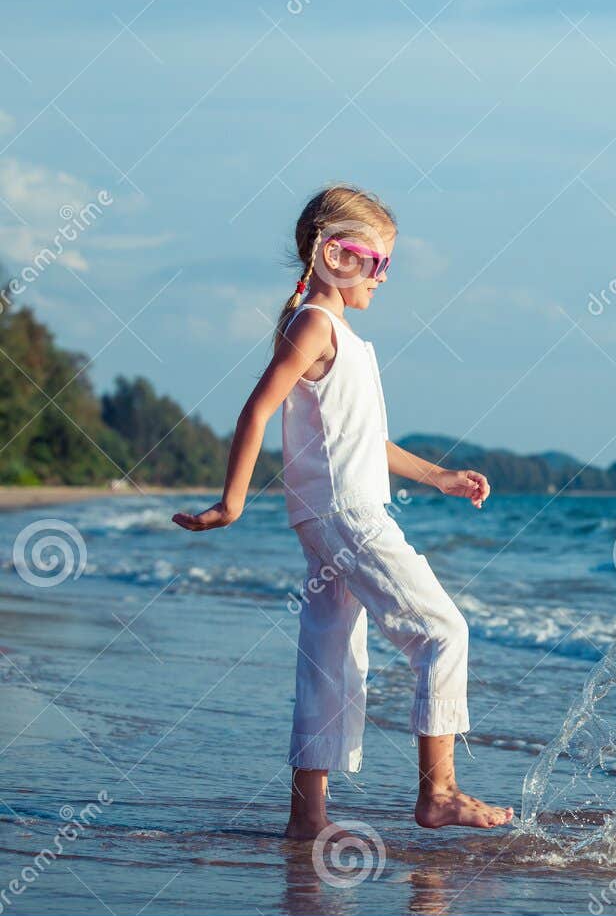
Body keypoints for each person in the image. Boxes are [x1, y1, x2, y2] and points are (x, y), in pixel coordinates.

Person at [173, 184, 513, 838]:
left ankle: (308, 817)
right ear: (335, 256)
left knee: (332, 654)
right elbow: (256, 409)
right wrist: (232, 501)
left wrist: (438, 476)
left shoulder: (345, 341)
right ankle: (438, 792)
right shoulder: (314, 325)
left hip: (331, 515)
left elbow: (363, 440)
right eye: (375, 262)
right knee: (443, 631)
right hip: (347, 515)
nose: (383, 277)